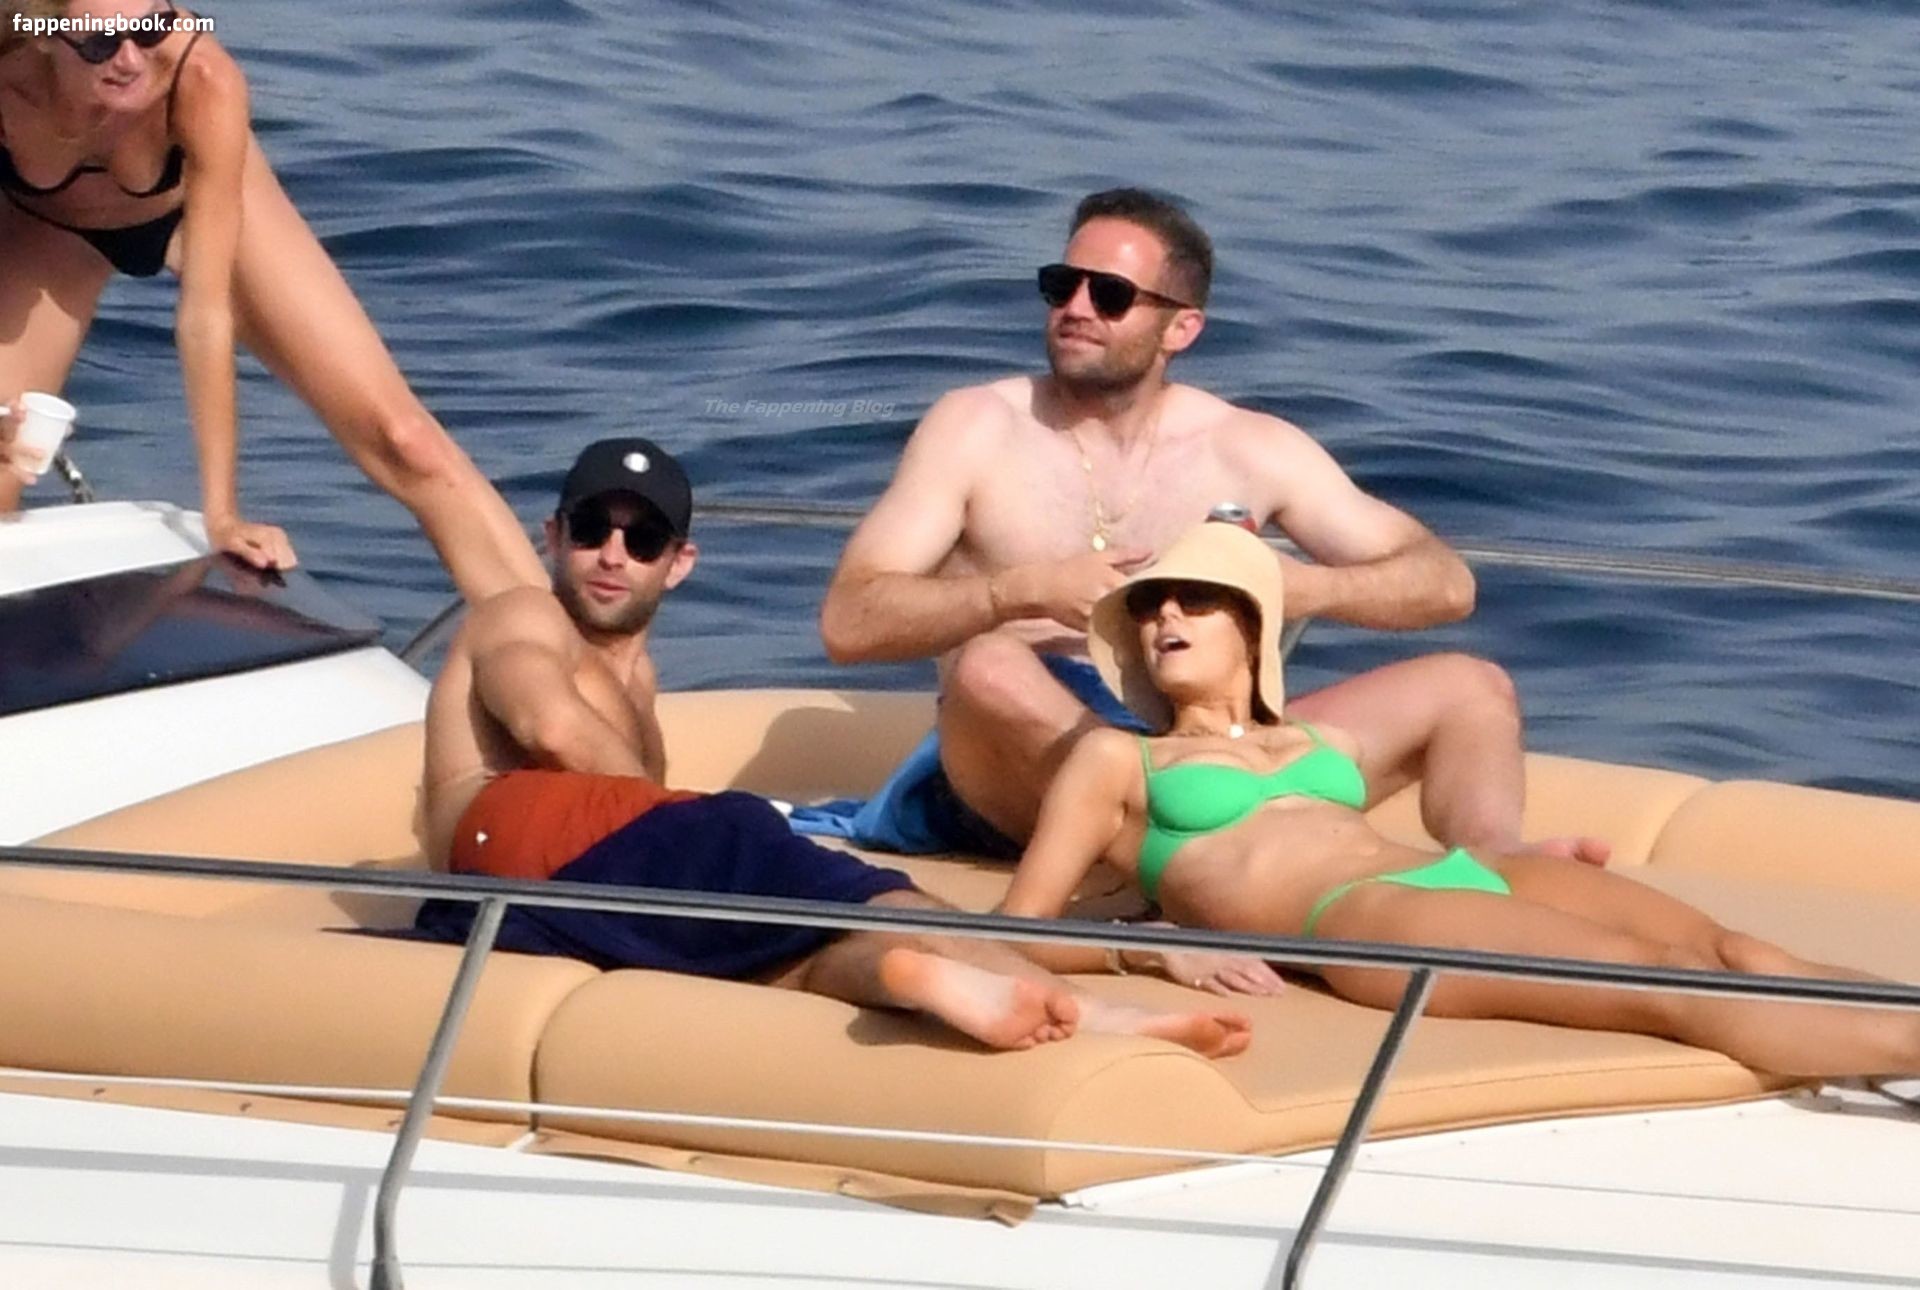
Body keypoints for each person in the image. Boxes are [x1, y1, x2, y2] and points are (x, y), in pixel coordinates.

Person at [818, 186, 1603, 868]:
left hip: (1213, 751)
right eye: (1062, 286)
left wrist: (1302, 588)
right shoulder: (977, 427)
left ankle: (1497, 862)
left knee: (1471, 686)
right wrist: (1015, 593)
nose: (1076, 309)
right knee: (990, 666)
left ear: (1181, 329)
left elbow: (1445, 583)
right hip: (1024, 770)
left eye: (1110, 295)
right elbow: (849, 621)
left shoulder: (1246, 447)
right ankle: (1198, 857)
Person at [413, 437, 1253, 1058]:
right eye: (592, 529)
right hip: (511, 836)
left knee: (791, 955)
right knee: (812, 866)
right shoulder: (522, 614)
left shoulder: (636, 680)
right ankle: (1086, 1012)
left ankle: (901, 975)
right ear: (552, 536)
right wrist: (695, 823)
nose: (612, 555)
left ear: (679, 563)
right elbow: (550, 729)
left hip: (535, 896)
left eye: (642, 541)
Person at [993, 519, 1920, 1075]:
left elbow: (1458, 689)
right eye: (1149, 607)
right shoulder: (1119, 760)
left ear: (1251, 627)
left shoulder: (1315, 740)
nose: (1165, 616)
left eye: (1194, 600)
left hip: (1461, 873)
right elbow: (1017, 927)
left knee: (1737, 950)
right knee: (1666, 985)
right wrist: (1149, 949)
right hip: (1361, 919)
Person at [0, 0, 542, 598]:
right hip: (48, 231)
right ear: (42, 37)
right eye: (102, 44)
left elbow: (206, 316)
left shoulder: (201, 79)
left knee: (405, 442)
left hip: (201, 208)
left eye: (151, 28)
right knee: (2, 464)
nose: (131, 59)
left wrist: (222, 513)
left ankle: (553, 643)